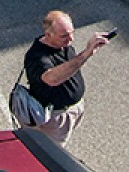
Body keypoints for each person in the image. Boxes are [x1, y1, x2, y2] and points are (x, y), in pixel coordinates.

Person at [23, 10, 111, 146]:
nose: (71, 39)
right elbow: (52, 79)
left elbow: (72, 65)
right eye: (64, 36)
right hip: (56, 117)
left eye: (72, 33)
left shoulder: (63, 45)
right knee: (51, 153)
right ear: (48, 35)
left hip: (73, 109)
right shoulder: (37, 56)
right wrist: (86, 53)